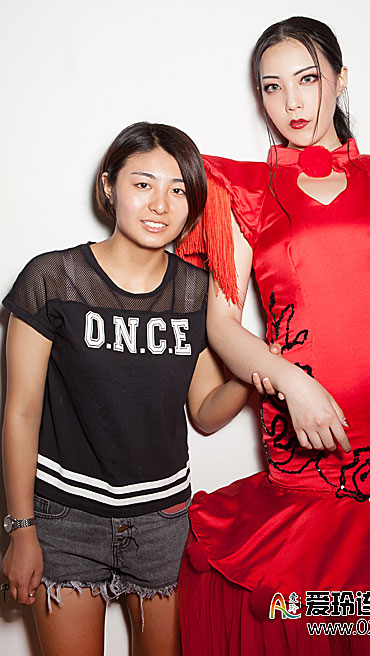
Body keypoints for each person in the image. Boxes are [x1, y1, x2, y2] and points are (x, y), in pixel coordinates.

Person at [176, 16, 370, 655]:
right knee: (323, 619)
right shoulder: (242, 190)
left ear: (341, 80)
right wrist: (290, 383)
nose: (291, 101)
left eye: (308, 79)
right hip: (307, 441)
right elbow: (221, 325)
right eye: (272, 86)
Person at [0, 121, 277, 656]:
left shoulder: (196, 293)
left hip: (163, 522)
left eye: (178, 190)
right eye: (143, 184)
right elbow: (20, 412)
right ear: (109, 186)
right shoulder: (52, 279)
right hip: (65, 518)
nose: (160, 205)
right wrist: (21, 529)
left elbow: (205, 411)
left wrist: (256, 371)